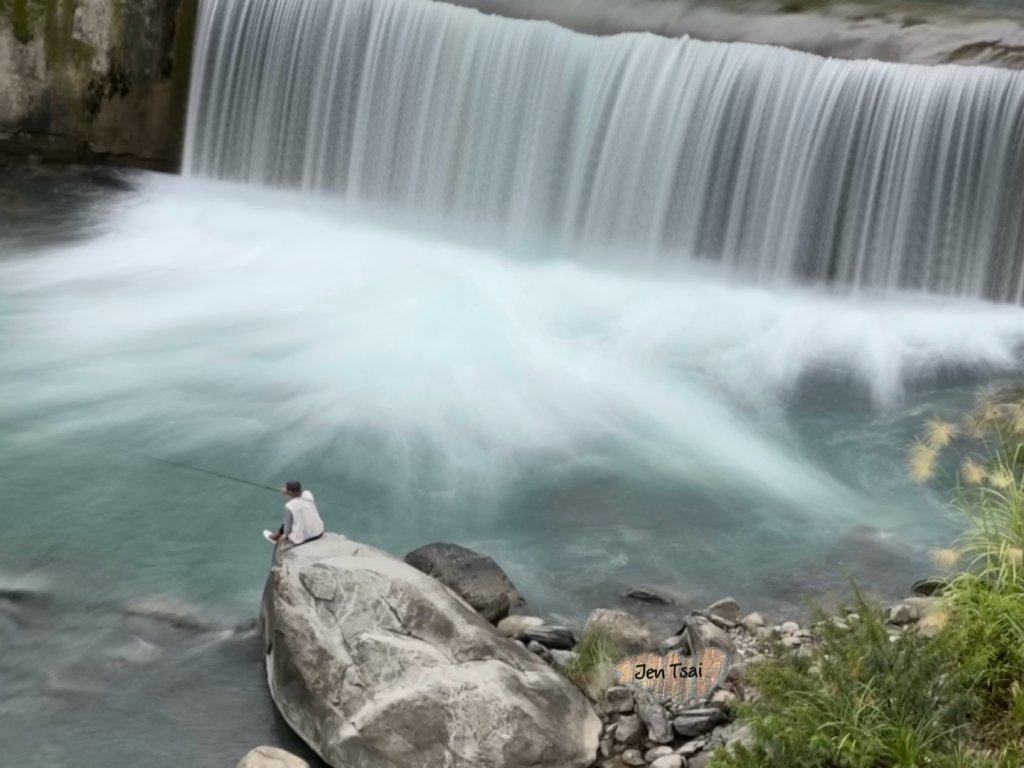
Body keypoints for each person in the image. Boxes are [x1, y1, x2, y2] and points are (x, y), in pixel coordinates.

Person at [269, 481, 325, 546]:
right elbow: (298, 496)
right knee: (296, 516)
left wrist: (283, 537)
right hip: (319, 532)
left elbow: (287, 531)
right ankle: (276, 535)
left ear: (290, 492)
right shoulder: (308, 493)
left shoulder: (289, 506)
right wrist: (289, 492)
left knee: (287, 521)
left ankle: (276, 537)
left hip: (303, 539)